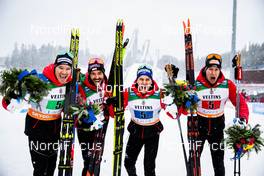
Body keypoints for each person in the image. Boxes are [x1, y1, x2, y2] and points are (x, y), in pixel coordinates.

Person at [2, 51, 73, 176]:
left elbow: (64, 107)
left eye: (68, 68)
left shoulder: (69, 84)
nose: (64, 72)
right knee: (40, 168)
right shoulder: (39, 80)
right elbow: (6, 102)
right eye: (61, 67)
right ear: (55, 67)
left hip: (55, 128)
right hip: (37, 127)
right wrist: (15, 95)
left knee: (51, 166)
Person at [194, 53, 249, 176]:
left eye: (216, 69)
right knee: (193, 162)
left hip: (217, 129)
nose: (213, 73)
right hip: (198, 128)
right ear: (205, 69)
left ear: (220, 70)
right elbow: (181, 106)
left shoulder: (227, 84)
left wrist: (243, 118)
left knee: (218, 163)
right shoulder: (195, 85)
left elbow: (241, 104)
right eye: (210, 69)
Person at [124, 65, 176, 176]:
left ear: (151, 80)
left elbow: (173, 113)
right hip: (135, 131)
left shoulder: (160, 93)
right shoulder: (128, 93)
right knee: (128, 163)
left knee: (149, 167)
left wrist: (175, 104)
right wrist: (113, 103)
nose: (144, 82)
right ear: (137, 80)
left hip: (152, 133)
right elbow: (114, 111)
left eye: (147, 79)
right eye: (141, 79)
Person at [76, 57, 113, 176]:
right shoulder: (82, 86)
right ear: (89, 73)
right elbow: (76, 110)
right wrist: (86, 119)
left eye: (99, 73)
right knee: (88, 160)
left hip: (102, 125)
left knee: (97, 160)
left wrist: (111, 103)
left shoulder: (108, 84)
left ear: (103, 73)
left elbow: (112, 112)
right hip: (86, 128)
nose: (97, 77)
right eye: (93, 74)